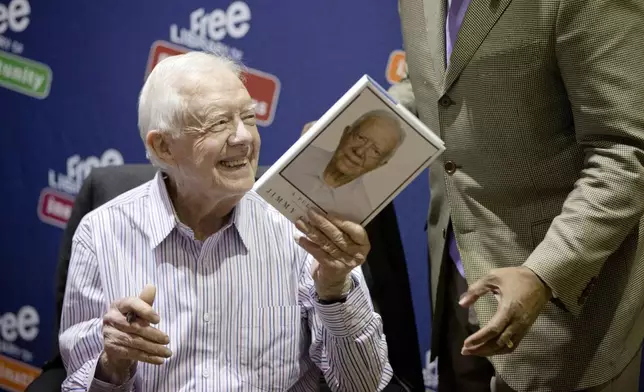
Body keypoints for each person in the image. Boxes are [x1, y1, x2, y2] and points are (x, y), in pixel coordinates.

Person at [58, 51, 393, 392]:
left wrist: (334, 288)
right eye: (218, 122)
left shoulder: (302, 227)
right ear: (163, 147)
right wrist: (112, 365)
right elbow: (77, 382)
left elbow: (362, 385)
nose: (244, 138)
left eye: (248, 118)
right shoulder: (101, 233)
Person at [389, 0, 644, 391]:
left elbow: (625, 155)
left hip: (568, 310)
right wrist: (362, 122)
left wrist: (544, 274)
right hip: (457, 281)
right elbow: (435, 79)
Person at [283, 110, 405, 223]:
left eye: (375, 151)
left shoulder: (359, 214)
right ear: (346, 133)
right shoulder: (300, 156)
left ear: (380, 164)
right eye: (361, 137)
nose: (360, 151)